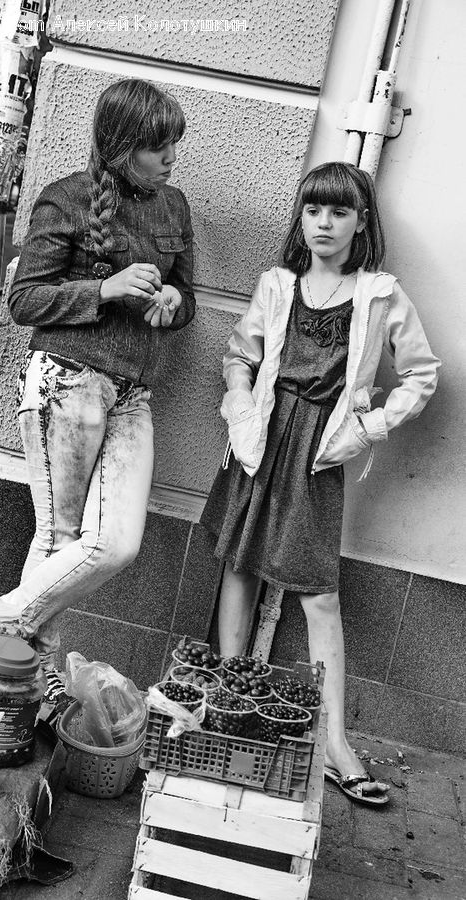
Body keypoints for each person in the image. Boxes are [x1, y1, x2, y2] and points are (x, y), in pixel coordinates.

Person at [200, 161, 439, 806]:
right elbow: (240, 355)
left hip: (318, 453)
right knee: (240, 568)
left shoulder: (381, 295)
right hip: (262, 440)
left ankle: (335, 744)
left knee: (318, 596)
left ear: (361, 223)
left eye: (339, 212)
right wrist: (241, 403)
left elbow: (422, 374)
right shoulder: (277, 286)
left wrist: (370, 427)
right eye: (313, 211)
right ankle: (229, 702)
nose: (324, 224)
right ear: (301, 219)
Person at [0, 78, 195, 708]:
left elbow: (186, 300)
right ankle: (20, 685)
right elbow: (23, 301)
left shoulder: (174, 206)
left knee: (116, 543)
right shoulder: (65, 199)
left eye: (173, 145)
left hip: (132, 395)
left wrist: (172, 303)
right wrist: (106, 289)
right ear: (125, 147)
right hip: (66, 383)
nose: (171, 158)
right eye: (159, 148)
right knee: (59, 538)